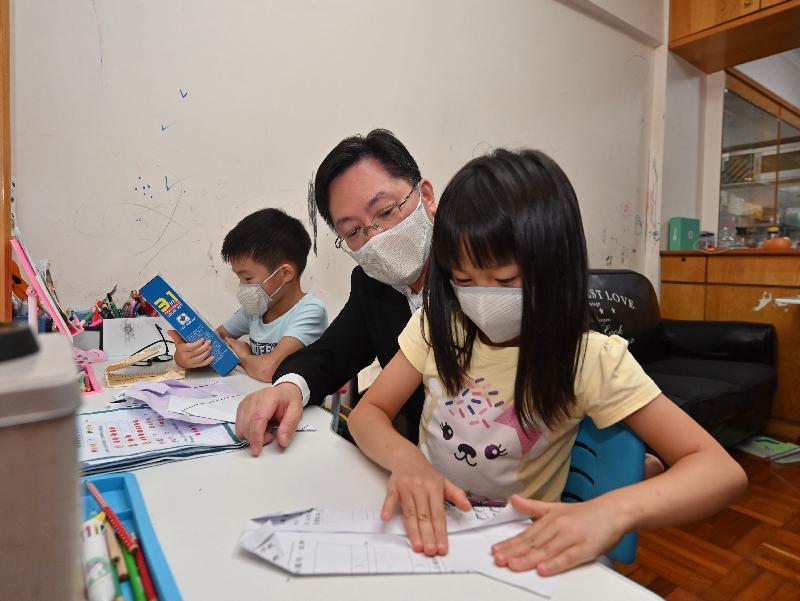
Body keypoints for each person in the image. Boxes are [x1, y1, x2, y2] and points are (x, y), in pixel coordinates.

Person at [346, 149, 747, 576]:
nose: (482, 297)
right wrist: (408, 461)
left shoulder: (589, 359)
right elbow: (369, 412)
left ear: (554, 267)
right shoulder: (437, 324)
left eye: (505, 280)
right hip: (429, 528)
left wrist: (614, 510)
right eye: (463, 279)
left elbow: (721, 471)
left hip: (518, 550)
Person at [235, 129, 436, 452]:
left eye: (386, 211)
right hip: (415, 461)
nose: (375, 236)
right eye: (353, 231)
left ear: (426, 196)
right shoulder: (372, 283)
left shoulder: (483, 272)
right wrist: (288, 389)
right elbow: (332, 353)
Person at [169, 208, 327, 383]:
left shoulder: (310, 311)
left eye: (248, 278)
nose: (242, 286)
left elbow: (269, 370)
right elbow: (213, 341)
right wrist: (186, 357)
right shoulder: (255, 310)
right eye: (239, 278)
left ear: (285, 273)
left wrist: (243, 356)